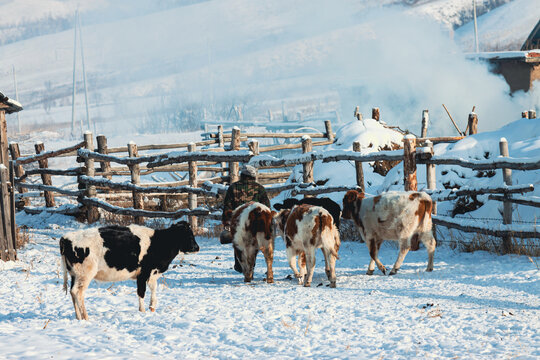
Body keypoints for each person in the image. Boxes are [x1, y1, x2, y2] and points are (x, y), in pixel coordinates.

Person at [220, 165, 270, 272]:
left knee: (239, 244)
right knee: (253, 244)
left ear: (242, 175)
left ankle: (240, 265)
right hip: (255, 223)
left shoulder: (233, 188)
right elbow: (266, 208)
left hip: (238, 223)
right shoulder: (260, 189)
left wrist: (226, 223)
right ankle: (251, 265)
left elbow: (227, 207)